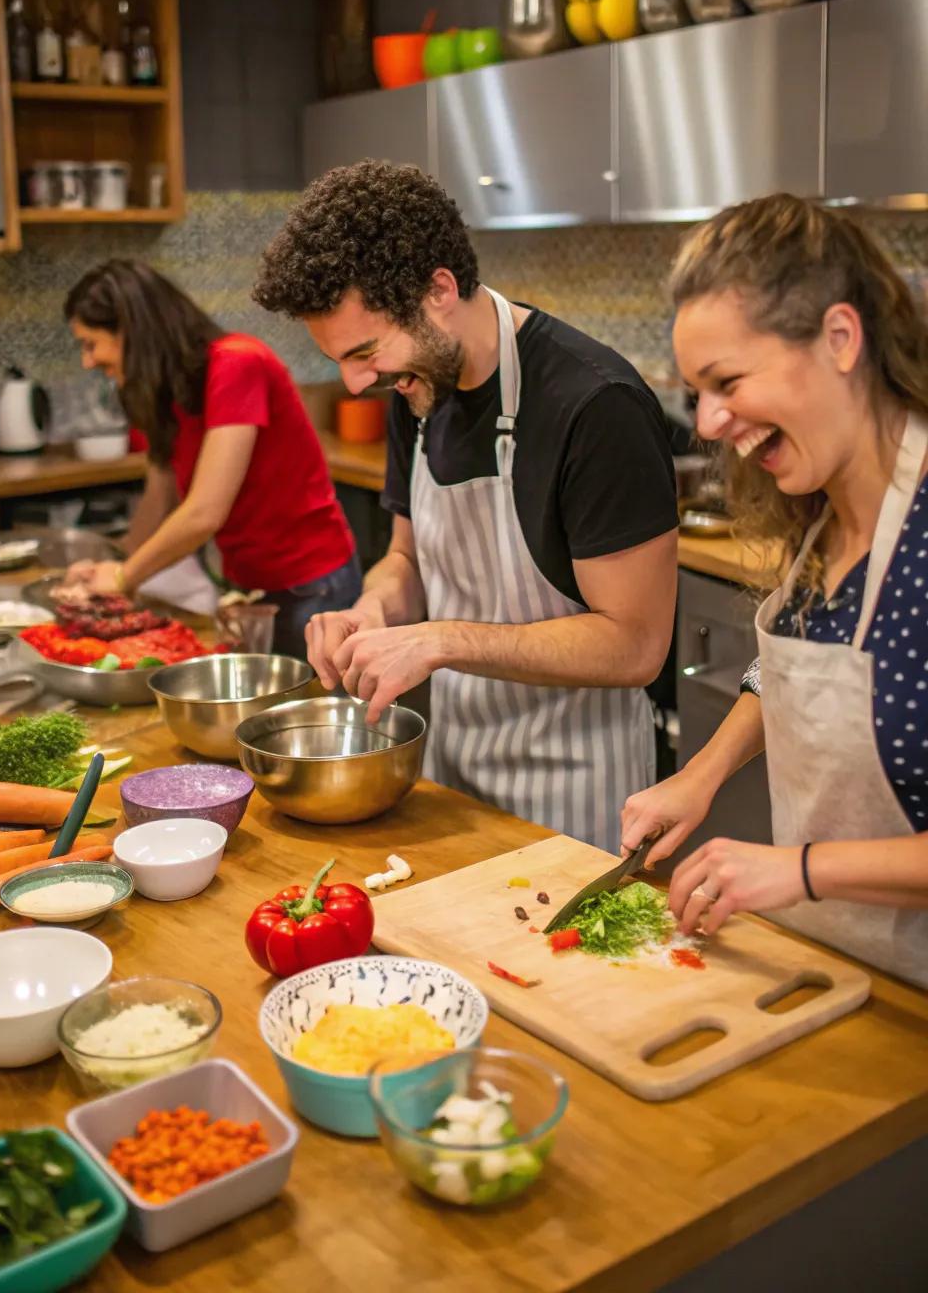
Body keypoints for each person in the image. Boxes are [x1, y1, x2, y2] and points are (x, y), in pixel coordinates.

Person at [254, 161, 679, 850]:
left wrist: (440, 638)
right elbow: (405, 557)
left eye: (365, 351)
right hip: (449, 783)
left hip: (575, 799)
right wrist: (371, 613)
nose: (357, 382)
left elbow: (636, 646)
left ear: (439, 290)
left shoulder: (595, 405)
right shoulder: (416, 391)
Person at [621, 195, 928, 988]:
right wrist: (702, 775)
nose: (712, 422)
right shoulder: (824, 511)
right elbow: (797, 667)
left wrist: (799, 870)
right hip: (835, 973)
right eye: (698, 394)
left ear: (838, 338)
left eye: (727, 382)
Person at [63, 259, 361, 660]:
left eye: (90, 343)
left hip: (312, 585)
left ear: (133, 332)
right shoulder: (159, 390)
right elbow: (160, 497)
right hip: (246, 586)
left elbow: (205, 510)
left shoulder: (236, 363)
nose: (88, 361)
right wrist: (111, 568)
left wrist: (123, 576)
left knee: (314, 713)